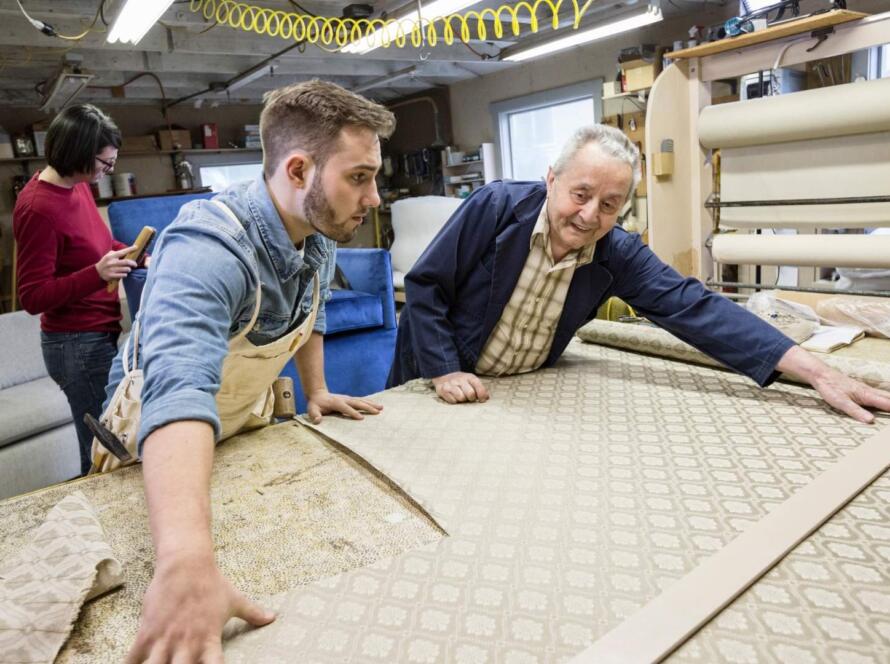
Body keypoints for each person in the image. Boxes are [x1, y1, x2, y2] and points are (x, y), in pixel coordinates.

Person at [113, 80, 394, 663]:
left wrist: (317, 389)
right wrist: (186, 561)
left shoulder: (318, 230)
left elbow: (309, 310)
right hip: (156, 451)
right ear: (298, 171)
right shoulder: (207, 245)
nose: (375, 199)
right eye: (360, 177)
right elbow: (179, 389)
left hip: (239, 431)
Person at [390, 124, 890, 423]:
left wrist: (820, 373)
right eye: (580, 195)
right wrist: (445, 370)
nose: (589, 216)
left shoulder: (615, 252)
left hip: (512, 395)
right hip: (439, 379)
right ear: (551, 180)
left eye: (609, 205)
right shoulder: (495, 207)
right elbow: (426, 286)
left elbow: (696, 308)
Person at [13, 103, 138, 476]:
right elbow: (32, 296)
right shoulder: (37, 208)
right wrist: (96, 274)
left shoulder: (78, 185)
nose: (108, 171)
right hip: (75, 345)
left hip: (98, 332)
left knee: (113, 440)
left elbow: (93, 244)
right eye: (104, 164)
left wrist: (125, 251)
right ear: (77, 155)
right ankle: (99, 528)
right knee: (103, 451)